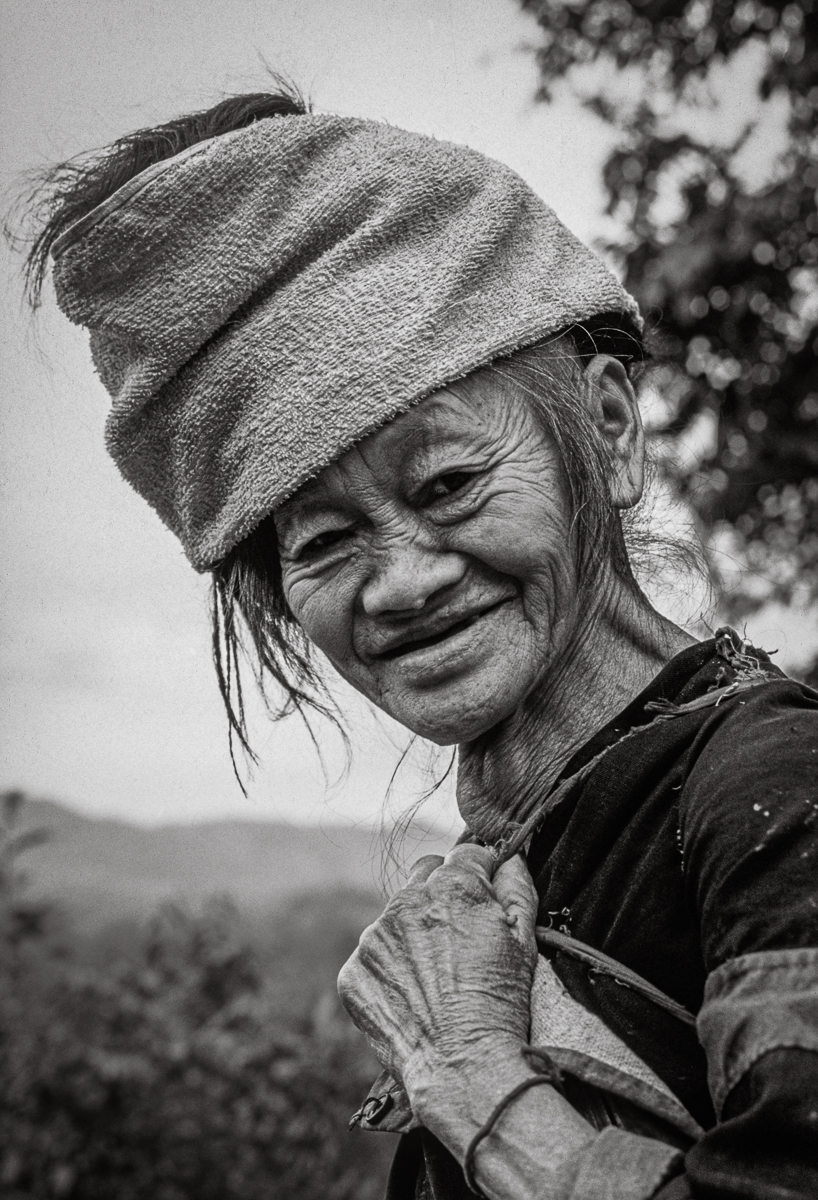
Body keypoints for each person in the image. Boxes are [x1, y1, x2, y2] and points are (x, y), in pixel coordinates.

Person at [24, 85, 818, 1199]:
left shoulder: (772, 796)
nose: (401, 581)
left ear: (606, 429)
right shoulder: (538, 853)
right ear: (275, 601)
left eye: (448, 482)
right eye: (326, 541)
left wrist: (480, 1093)